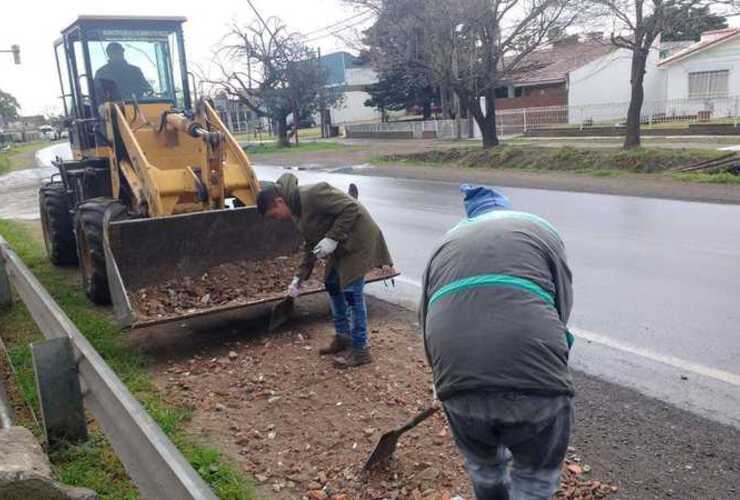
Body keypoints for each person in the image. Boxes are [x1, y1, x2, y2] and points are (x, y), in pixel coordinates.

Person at [419, 184, 575, 500]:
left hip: (457, 382)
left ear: (471, 218)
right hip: (536, 383)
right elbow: (562, 304)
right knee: (534, 477)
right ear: (506, 209)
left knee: (484, 466)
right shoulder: (538, 228)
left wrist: (445, 382)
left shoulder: (444, 243)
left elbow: (425, 318)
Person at [257, 173, 393, 367]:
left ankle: (361, 349)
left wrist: (332, 238)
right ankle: (343, 338)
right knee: (332, 284)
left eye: (274, 214)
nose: (277, 219)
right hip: (341, 245)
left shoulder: (313, 193)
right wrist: (299, 279)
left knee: (352, 295)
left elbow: (351, 208)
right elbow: (311, 245)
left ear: (279, 201)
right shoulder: (296, 212)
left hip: (358, 240)